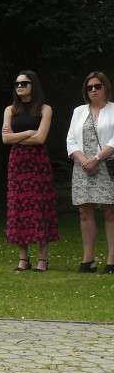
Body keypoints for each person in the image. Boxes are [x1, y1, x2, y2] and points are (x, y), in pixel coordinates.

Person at [2, 71, 58, 272]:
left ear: (33, 85)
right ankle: (23, 258)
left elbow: (40, 138)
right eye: (17, 83)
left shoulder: (44, 109)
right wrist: (26, 133)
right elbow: (5, 139)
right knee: (18, 206)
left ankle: (43, 258)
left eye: (24, 83)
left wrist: (16, 136)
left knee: (40, 205)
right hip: (17, 163)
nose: (20, 86)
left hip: (38, 163)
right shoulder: (11, 110)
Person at [66, 71, 114, 273]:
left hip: (107, 165)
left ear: (105, 88)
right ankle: (88, 260)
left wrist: (96, 159)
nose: (93, 90)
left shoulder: (113, 110)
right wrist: (84, 160)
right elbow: (70, 140)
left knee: (110, 212)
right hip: (82, 167)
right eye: (89, 87)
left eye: (97, 86)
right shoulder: (78, 111)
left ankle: (112, 260)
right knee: (84, 212)